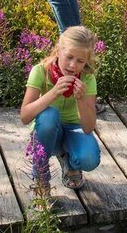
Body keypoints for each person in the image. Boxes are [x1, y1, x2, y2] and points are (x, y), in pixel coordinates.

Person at [20, 26, 101, 191]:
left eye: (80, 61)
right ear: (58, 50)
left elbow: (88, 127)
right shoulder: (40, 71)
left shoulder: (88, 79)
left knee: (90, 159)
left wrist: (80, 99)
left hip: (74, 129)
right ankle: (41, 179)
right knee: (49, 115)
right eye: (69, 57)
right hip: (47, 133)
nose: (73, 65)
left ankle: (70, 162)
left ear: (87, 61)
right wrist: (54, 92)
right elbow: (25, 116)